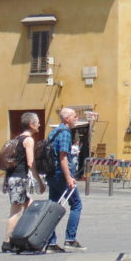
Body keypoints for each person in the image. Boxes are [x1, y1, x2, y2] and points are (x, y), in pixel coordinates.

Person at [3, 113, 46, 252]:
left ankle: (26, 238)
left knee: (31, 207)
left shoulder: (16, 139)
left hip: (13, 178)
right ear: (32, 124)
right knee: (15, 211)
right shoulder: (28, 140)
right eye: (38, 122)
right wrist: (40, 181)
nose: (39, 125)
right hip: (20, 179)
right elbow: (30, 162)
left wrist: (5, 181)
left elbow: (10, 162)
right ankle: (8, 242)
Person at [45, 107, 85, 252]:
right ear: (67, 118)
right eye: (74, 116)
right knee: (76, 205)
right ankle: (70, 239)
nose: (76, 119)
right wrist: (69, 178)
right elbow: (63, 157)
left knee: (52, 207)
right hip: (60, 174)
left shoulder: (54, 132)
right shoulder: (65, 133)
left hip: (51, 173)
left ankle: (51, 242)